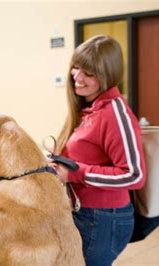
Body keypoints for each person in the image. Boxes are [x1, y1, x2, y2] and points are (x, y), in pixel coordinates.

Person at [47, 35, 146, 265]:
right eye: (76, 68)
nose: (78, 78)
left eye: (89, 73)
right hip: (85, 213)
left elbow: (134, 174)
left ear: (107, 76)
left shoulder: (114, 113)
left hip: (102, 219)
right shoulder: (89, 108)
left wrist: (74, 173)